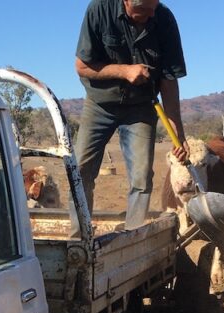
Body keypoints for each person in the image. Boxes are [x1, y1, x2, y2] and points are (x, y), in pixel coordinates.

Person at [72, 0, 189, 232]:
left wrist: (178, 132)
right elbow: (82, 67)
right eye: (142, 12)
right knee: (80, 170)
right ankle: (78, 236)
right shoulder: (99, 9)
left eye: (152, 9)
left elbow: (168, 79)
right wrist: (124, 71)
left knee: (142, 177)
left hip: (142, 106)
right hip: (100, 104)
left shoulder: (164, 19)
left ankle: (133, 235)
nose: (149, 16)